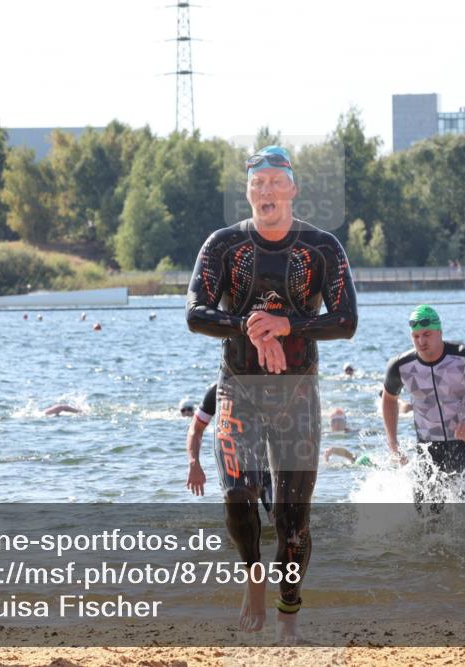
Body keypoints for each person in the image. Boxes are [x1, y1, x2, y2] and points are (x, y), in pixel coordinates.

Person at [186, 145, 358, 639]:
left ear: (292, 190)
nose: (265, 191)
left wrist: (286, 326)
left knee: (293, 521)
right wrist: (251, 327)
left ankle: (289, 611)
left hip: (298, 393)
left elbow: (345, 322)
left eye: (274, 182)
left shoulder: (322, 247)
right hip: (239, 388)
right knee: (238, 495)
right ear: (248, 193)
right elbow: (196, 314)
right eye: (256, 184)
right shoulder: (222, 245)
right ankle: (253, 577)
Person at [382, 305, 465, 503]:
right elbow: (389, 399)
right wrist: (393, 443)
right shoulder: (401, 366)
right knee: (425, 518)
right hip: (427, 449)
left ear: (440, 332)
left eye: (427, 334)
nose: (421, 341)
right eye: (415, 336)